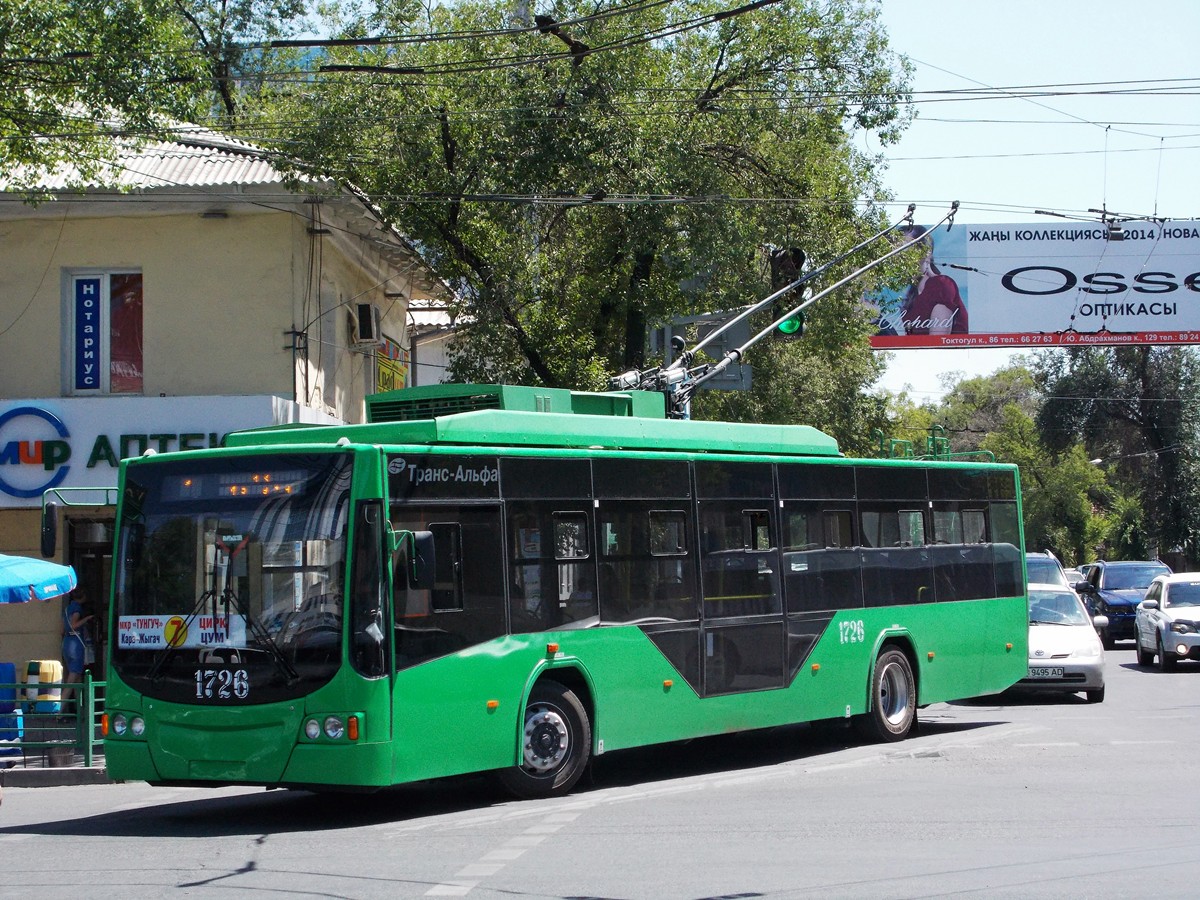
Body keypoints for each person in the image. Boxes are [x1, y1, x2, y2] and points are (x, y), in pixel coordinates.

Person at [898, 225, 969, 335]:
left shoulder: (941, 285)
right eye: (897, 253)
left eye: (907, 250)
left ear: (927, 252)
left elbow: (937, 344)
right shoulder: (912, 297)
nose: (901, 258)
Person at [61, 591, 96, 712]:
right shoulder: (77, 608)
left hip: (66, 642)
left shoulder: (67, 608)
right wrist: (87, 618)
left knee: (77, 680)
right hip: (76, 645)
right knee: (71, 680)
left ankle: (80, 711)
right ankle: (58, 711)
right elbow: (73, 625)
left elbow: (63, 628)